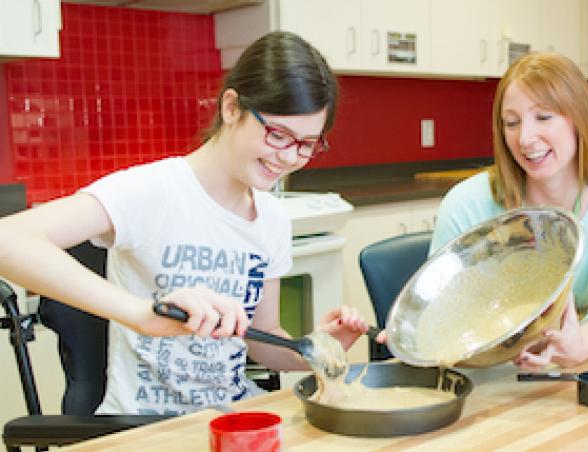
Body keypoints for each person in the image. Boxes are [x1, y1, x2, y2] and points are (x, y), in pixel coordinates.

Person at [0, 31, 369, 415]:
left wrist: (312, 348)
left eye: (307, 144)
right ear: (231, 108)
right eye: (278, 135)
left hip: (233, 415)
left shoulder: (271, 218)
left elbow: (263, 341)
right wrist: (143, 315)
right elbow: (7, 240)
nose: (290, 157)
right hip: (146, 426)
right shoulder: (152, 191)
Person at [429, 52, 588, 369]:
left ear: (579, 117)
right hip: (488, 375)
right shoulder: (466, 203)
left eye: (544, 117)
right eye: (512, 122)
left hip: (574, 371)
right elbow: (442, 318)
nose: (525, 138)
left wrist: (580, 346)